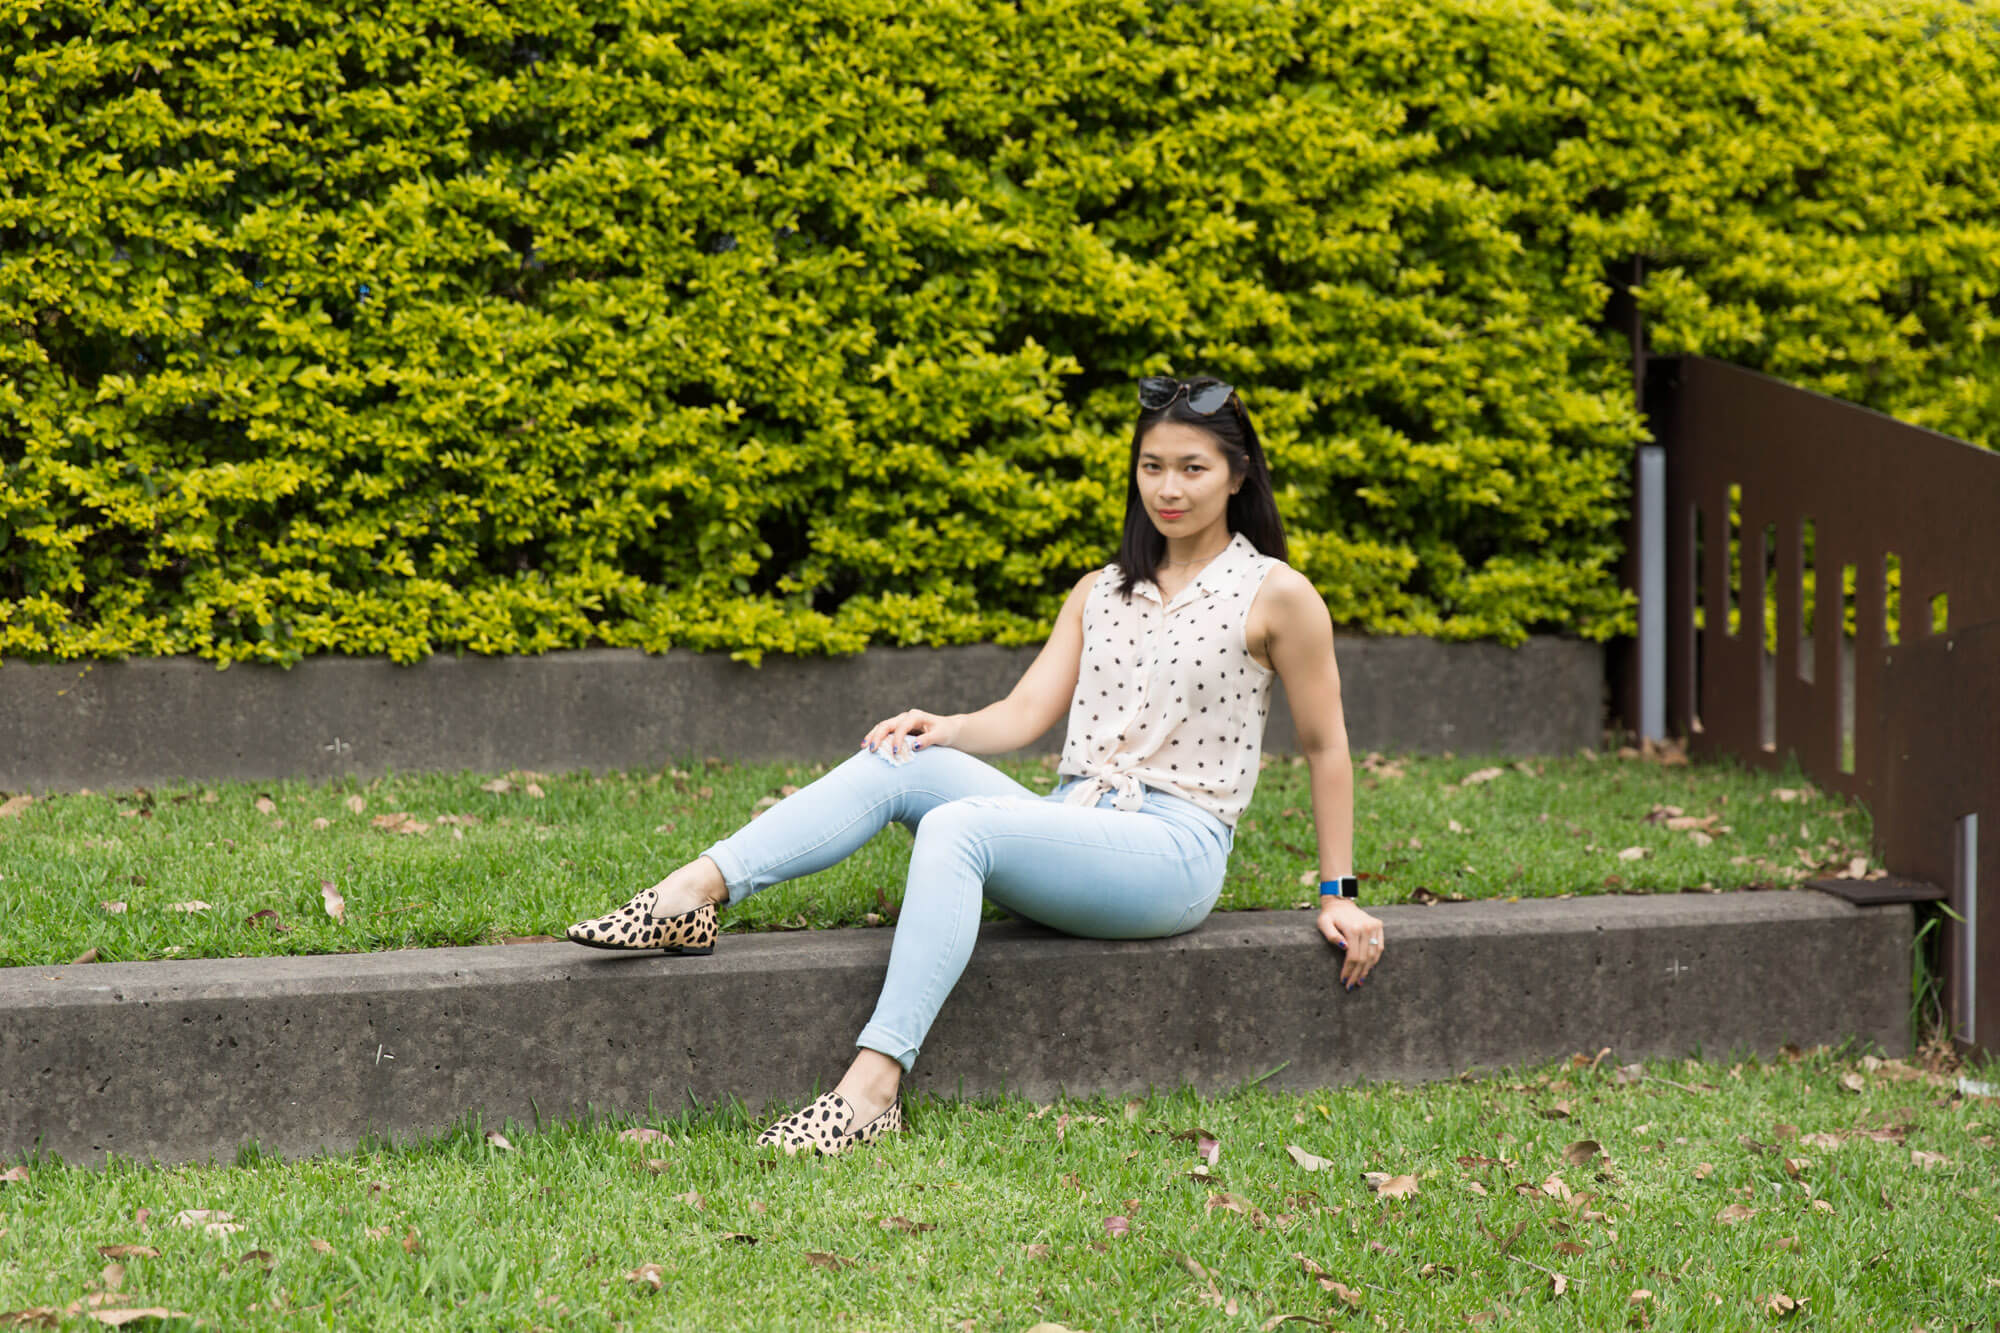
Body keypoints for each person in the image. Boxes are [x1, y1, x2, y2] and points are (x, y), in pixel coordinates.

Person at [565, 375, 1385, 1155]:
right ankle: (690, 897)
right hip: (1077, 818)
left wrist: (1337, 893)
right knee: (903, 759)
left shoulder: (1277, 594)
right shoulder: (1100, 589)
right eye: (1152, 466)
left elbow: (1327, 746)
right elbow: (1027, 713)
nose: (1168, 488)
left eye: (1192, 469)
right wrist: (945, 725)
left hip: (1174, 851)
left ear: (1238, 475)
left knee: (958, 828)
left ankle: (871, 1090)